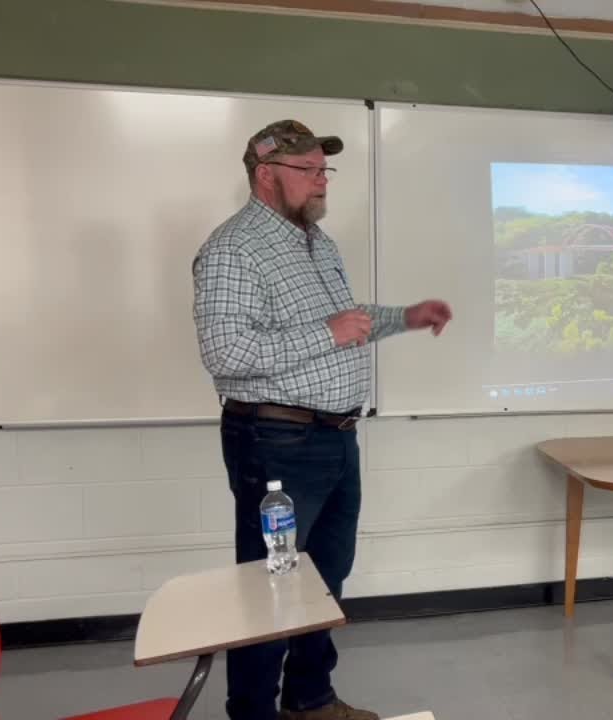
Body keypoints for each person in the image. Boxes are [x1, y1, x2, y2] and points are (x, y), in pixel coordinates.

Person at [192, 119, 452, 720]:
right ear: (265, 176)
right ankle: (253, 713)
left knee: (325, 583)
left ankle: (310, 701)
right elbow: (226, 352)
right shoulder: (234, 248)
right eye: (307, 171)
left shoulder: (314, 241)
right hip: (276, 443)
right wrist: (326, 333)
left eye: (323, 170)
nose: (321, 182)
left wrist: (404, 317)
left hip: (335, 440)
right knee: (270, 590)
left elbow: (347, 320)